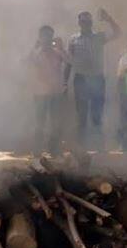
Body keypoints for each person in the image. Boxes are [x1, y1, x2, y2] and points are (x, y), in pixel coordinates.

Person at [64, 9, 121, 150]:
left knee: (97, 115)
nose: (86, 24)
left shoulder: (99, 37)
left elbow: (118, 33)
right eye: (83, 21)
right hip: (81, 79)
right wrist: (65, 82)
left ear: (91, 23)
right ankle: (82, 149)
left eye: (88, 22)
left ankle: (99, 148)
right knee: (81, 116)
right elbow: (69, 62)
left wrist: (109, 19)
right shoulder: (73, 39)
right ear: (79, 23)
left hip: (97, 78)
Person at [27, 25, 70, 157]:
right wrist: (34, 47)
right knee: (40, 124)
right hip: (40, 93)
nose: (47, 38)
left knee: (55, 123)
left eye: (49, 35)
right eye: (44, 36)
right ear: (40, 37)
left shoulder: (58, 52)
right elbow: (26, 63)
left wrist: (61, 47)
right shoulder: (36, 52)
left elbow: (70, 61)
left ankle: (54, 150)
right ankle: (37, 151)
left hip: (55, 92)